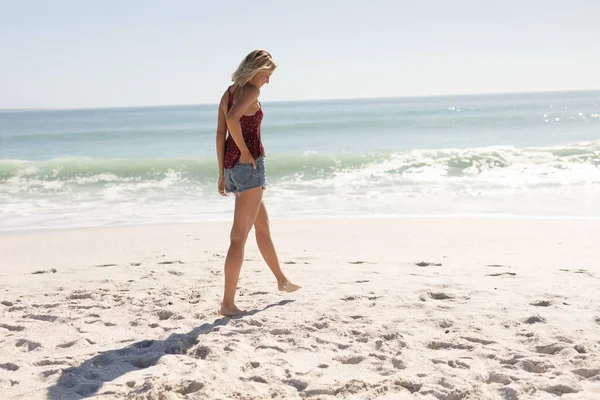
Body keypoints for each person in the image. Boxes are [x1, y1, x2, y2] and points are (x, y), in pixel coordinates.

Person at [215, 50, 301, 316]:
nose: (267, 81)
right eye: (267, 75)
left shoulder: (229, 92)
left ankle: (281, 280)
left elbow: (220, 134)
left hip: (233, 168)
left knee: (262, 225)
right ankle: (227, 304)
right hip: (248, 168)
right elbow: (231, 122)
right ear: (256, 70)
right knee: (238, 238)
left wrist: (222, 172)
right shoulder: (251, 90)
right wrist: (245, 151)